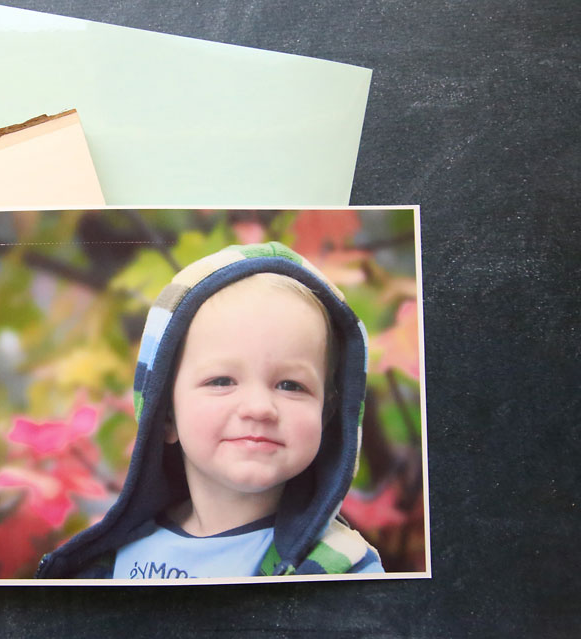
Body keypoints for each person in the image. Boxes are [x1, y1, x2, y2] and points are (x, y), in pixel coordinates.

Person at [36, 241, 383, 579]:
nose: (259, 408)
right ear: (166, 414)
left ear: (326, 415)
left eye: (291, 385)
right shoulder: (110, 562)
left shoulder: (341, 567)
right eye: (221, 381)